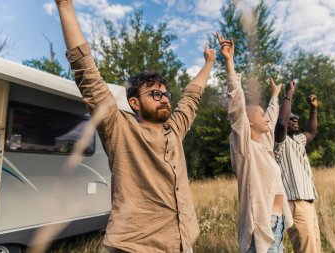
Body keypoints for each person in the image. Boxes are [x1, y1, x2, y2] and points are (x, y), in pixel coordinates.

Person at [55, 1, 216, 252]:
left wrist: (209, 63)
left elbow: (191, 97)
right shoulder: (119, 128)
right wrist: (65, 7)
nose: (163, 98)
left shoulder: (174, 130)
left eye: (165, 94)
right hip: (134, 247)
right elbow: (86, 73)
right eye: (154, 94)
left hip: (183, 243)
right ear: (134, 103)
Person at [216, 32, 293, 253]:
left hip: (277, 226)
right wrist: (229, 64)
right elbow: (236, 109)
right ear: (249, 121)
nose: (267, 119)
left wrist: (275, 96)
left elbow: (273, 114)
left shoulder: (264, 145)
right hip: (262, 225)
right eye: (261, 116)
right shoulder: (245, 149)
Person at [274, 81, 320, 253]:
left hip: (308, 203)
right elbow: (281, 124)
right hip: (295, 203)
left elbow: (311, 132)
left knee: (315, 248)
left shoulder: (297, 140)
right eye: (291, 118)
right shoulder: (279, 142)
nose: (295, 120)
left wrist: (313, 109)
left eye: (296, 119)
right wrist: (289, 94)